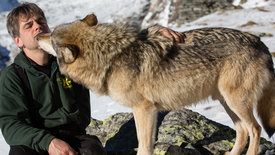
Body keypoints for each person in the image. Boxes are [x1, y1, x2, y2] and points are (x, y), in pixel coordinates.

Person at [0, 2, 184, 155]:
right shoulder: (13, 76)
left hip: (73, 138)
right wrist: (49, 142)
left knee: (93, 149)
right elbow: (10, 125)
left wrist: (151, 33)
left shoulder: (72, 60)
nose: (37, 26)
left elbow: (107, 43)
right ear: (18, 41)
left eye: (41, 21)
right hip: (33, 144)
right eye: (29, 25)